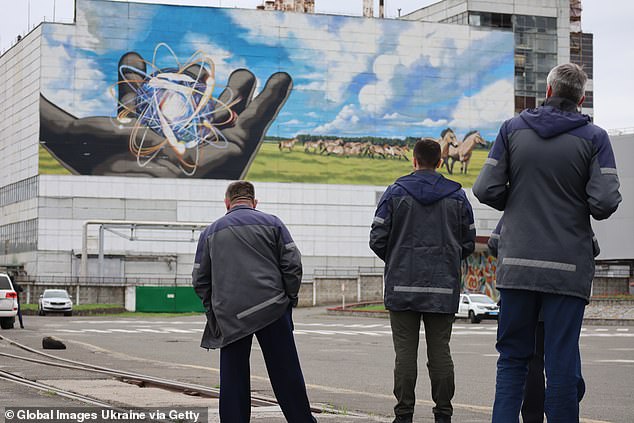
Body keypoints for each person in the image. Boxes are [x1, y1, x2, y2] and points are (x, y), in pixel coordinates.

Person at [473, 63, 621, 422]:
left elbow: (485, 188)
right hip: (567, 268)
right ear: (581, 98)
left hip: (518, 266)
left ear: (549, 91)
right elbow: (604, 203)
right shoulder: (595, 138)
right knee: (561, 365)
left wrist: (522, 197)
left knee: (512, 360)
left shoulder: (511, 130)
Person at [370, 138, 476, 423]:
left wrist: (397, 261)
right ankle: (443, 413)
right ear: (440, 161)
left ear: (414, 161)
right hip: (443, 287)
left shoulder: (394, 192)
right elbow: (468, 242)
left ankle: (403, 415)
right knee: (440, 352)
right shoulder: (457, 195)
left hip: (402, 286)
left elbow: (377, 238)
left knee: (405, 354)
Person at [192, 181, 316, 423]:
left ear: (227, 203)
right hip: (272, 308)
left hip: (231, 315)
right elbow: (293, 265)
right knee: (286, 373)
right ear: (254, 202)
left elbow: (200, 279)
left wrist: (215, 310)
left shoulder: (210, 232)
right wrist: (289, 299)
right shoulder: (273, 223)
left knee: (233, 377)